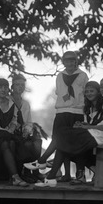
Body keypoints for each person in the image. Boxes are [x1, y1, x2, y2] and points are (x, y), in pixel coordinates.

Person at [34, 79, 103, 187]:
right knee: (64, 136)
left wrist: (87, 127)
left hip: (99, 137)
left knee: (62, 136)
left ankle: (45, 166)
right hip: (97, 134)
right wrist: (84, 125)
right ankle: (49, 174)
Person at [24, 51, 89, 181]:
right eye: (67, 61)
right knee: (59, 140)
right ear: (63, 62)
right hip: (61, 112)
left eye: (72, 60)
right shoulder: (60, 75)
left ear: (76, 61)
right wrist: (68, 98)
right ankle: (64, 174)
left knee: (70, 142)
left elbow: (83, 93)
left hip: (76, 112)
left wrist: (73, 100)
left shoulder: (82, 76)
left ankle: (43, 161)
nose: (70, 63)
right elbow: (60, 92)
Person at [0, 78, 28, 187]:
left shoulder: (11, 104)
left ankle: (13, 176)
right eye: (0, 87)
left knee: (12, 143)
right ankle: (15, 177)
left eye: (5, 87)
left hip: (7, 134)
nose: (3, 90)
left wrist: (10, 130)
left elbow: (14, 121)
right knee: (6, 143)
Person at [10, 74, 44, 182]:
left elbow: (28, 121)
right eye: (17, 84)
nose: (20, 87)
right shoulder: (8, 101)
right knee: (28, 144)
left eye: (22, 85)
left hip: (24, 131)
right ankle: (25, 172)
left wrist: (29, 130)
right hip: (12, 130)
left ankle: (36, 171)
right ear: (12, 86)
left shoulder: (26, 103)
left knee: (38, 141)